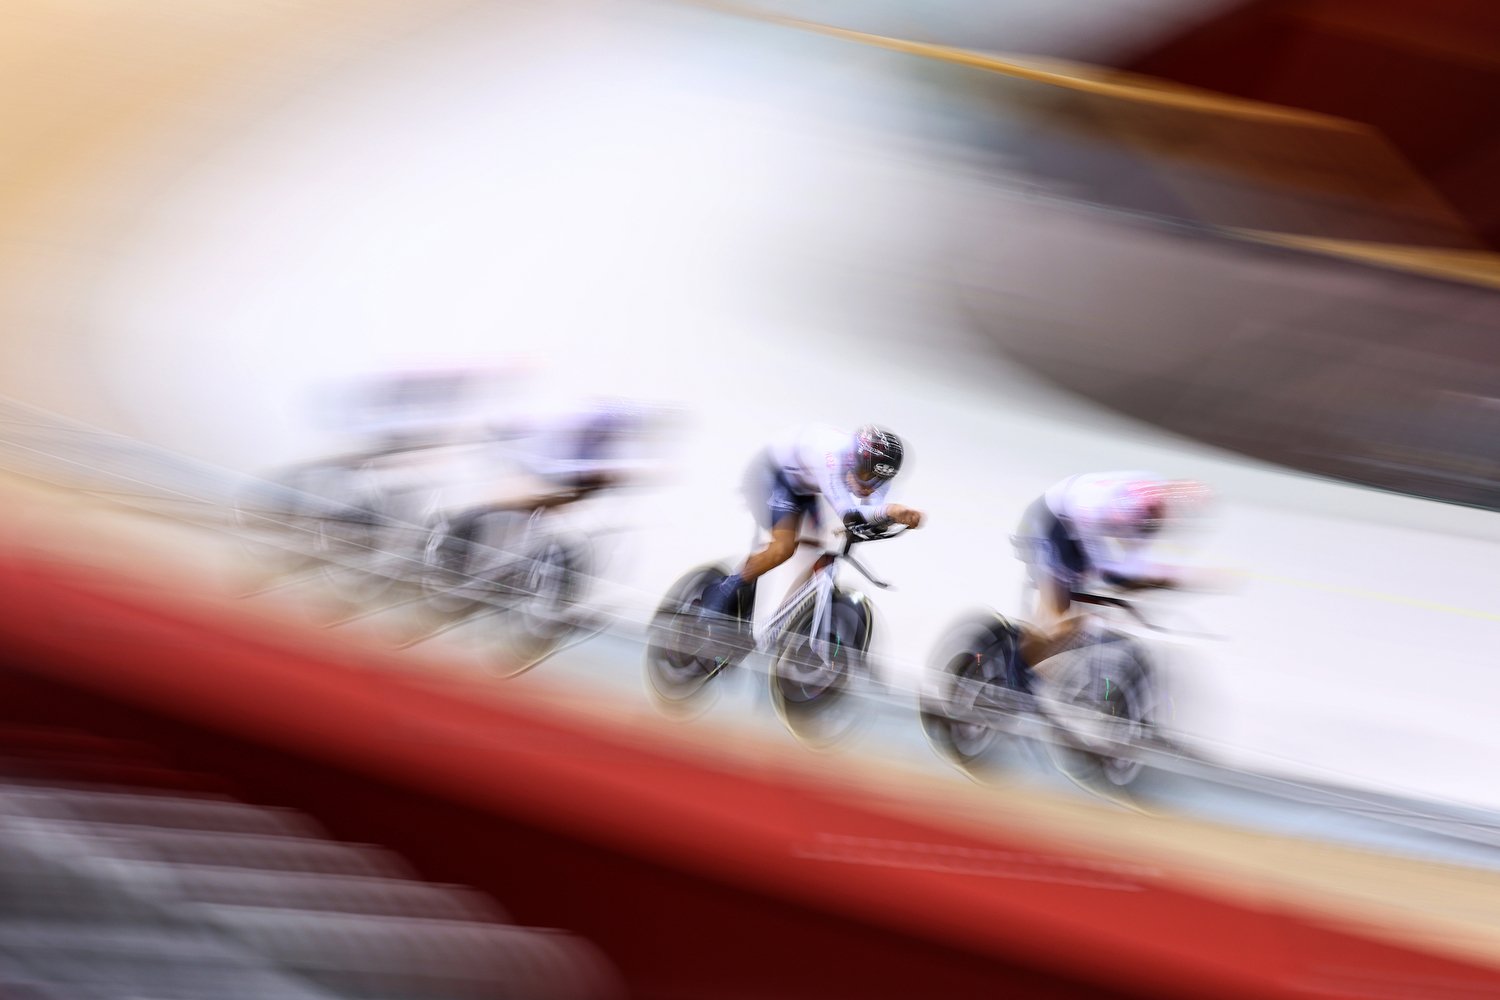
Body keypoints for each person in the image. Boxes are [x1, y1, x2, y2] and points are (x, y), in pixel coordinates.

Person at [699, 423, 924, 618]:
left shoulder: (878, 470)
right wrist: (893, 512)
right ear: (853, 459)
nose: (869, 486)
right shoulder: (831, 457)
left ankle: (794, 621)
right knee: (784, 548)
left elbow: (873, 510)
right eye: (866, 476)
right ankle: (723, 591)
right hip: (774, 474)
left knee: (822, 550)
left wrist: (891, 515)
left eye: (878, 480)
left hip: (805, 486)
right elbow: (849, 513)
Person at [1012, 471, 1210, 668]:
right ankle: (1018, 669)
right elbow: (1103, 562)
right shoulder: (1130, 505)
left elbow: (1132, 564)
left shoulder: (1151, 507)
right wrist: (1123, 579)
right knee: (1062, 619)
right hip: (1049, 523)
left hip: (1071, 527)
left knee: (1078, 621)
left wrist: (1163, 580)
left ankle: (1032, 656)